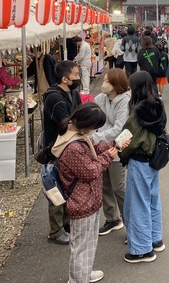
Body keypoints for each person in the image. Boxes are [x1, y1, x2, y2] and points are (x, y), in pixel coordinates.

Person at [52, 103, 117, 283]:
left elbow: (94, 149)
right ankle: (78, 279)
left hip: (86, 199)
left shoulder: (74, 135)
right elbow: (91, 171)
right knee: (81, 246)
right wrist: (109, 156)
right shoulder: (73, 147)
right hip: (82, 201)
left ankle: (84, 274)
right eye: (94, 127)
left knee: (87, 244)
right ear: (87, 125)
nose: (94, 132)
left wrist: (114, 145)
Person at [119, 71, 167, 263]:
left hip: (139, 160)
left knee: (138, 203)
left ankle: (141, 249)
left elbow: (126, 139)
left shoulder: (137, 111)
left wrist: (120, 154)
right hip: (154, 158)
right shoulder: (158, 104)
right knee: (153, 199)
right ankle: (155, 238)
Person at [43, 60, 83, 245]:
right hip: (57, 148)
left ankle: (66, 223)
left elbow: (80, 114)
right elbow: (67, 123)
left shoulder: (73, 93)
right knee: (56, 187)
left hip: (72, 146)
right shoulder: (54, 97)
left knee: (70, 186)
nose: (78, 77)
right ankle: (56, 230)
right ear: (64, 78)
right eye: (75, 75)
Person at [93, 70, 132, 237]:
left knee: (118, 187)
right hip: (100, 149)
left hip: (116, 148)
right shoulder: (101, 98)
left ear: (117, 84)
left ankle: (131, 224)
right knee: (105, 185)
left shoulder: (125, 101)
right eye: (104, 79)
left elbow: (119, 127)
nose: (104, 83)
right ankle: (112, 219)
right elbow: (92, 116)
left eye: (108, 80)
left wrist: (96, 137)